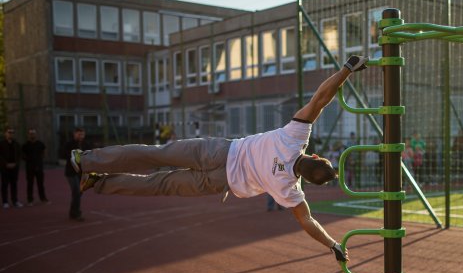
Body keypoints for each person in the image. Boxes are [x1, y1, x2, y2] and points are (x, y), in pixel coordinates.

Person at [72, 56, 370, 262]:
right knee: (158, 184)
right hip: (219, 181)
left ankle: (86, 161)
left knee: (154, 154)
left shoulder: (294, 136)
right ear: (307, 180)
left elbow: (320, 99)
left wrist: (346, 69)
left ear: (314, 155)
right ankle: (97, 183)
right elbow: (308, 220)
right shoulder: (289, 190)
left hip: (218, 150)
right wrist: (332, 244)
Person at [61, 127, 91, 221]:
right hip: (71, 172)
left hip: (81, 173)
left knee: (79, 192)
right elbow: (64, 154)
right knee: (77, 191)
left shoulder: (86, 144)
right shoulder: (69, 144)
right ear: (74, 134)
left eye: (82, 134)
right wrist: (76, 156)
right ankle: (76, 213)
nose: (80, 136)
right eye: (78, 134)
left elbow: (90, 155)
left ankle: (72, 212)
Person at [22, 128, 49, 205]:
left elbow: (44, 152)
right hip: (29, 168)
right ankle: (30, 200)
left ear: (36, 134)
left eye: (33, 133)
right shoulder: (25, 145)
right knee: (30, 184)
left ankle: (43, 198)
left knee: (40, 184)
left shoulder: (40, 144)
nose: (32, 135)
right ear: (28, 135)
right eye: (30, 133)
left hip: (39, 167)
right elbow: (23, 155)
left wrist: (40, 159)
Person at [0, 127, 23, 209]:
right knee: (4, 185)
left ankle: (15, 201)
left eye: (12, 132)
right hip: (4, 168)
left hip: (14, 167)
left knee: (14, 184)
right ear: (5, 133)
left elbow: (19, 155)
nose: (11, 134)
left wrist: (15, 164)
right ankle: (5, 202)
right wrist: (6, 164)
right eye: (9, 132)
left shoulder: (16, 144)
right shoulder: (1, 144)